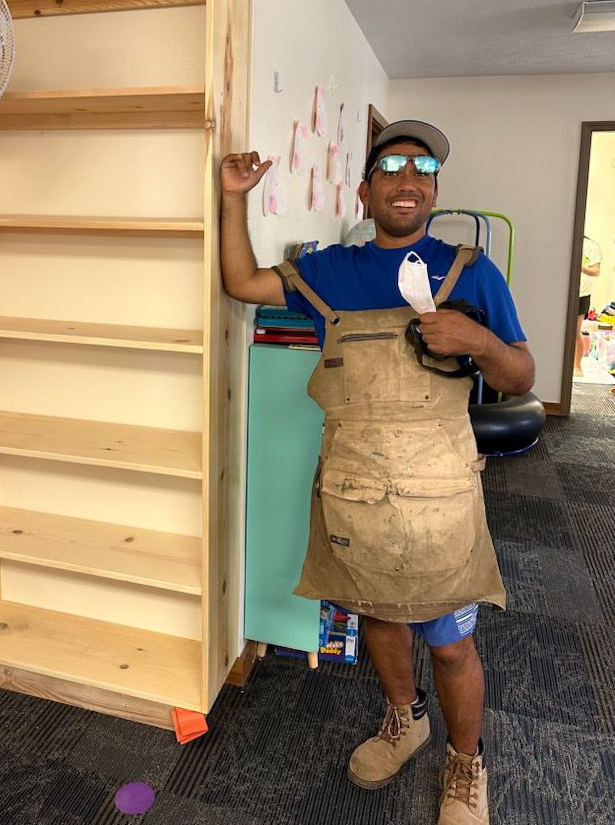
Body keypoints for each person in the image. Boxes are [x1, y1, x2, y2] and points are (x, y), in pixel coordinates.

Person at [220, 120, 535, 825]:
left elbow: (520, 375)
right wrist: (233, 199)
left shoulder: (470, 273)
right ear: (366, 192)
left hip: (440, 492)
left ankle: (464, 763)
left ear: (433, 192)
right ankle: (404, 718)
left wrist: (479, 339)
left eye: (422, 169)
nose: (408, 178)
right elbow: (241, 282)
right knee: (379, 618)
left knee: (451, 642)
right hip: (353, 488)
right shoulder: (330, 270)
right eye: (391, 167)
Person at [574, 235, 602, 376]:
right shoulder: (567, 240)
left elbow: (596, 271)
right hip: (565, 291)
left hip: (582, 293)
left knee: (575, 331)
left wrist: (580, 267)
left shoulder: (591, 245)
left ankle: (577, 366)